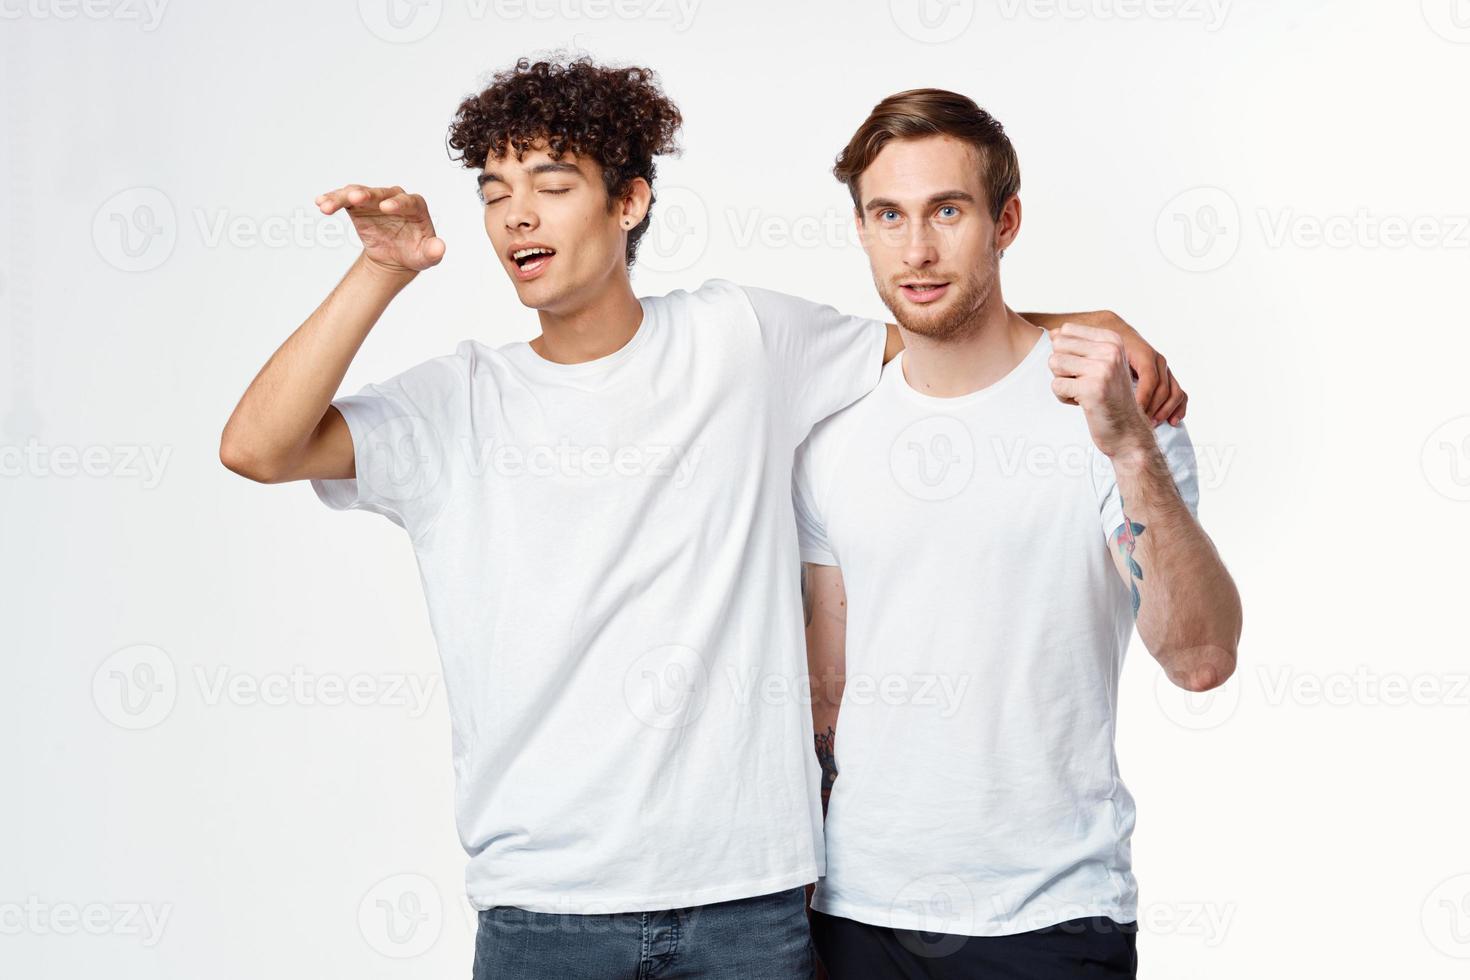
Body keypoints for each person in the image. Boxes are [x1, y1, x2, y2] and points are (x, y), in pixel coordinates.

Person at [219, 57, 1185, 979]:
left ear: (629, 200)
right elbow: (257, 447)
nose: (516, 213)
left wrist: (1086, 326)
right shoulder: (457, 401)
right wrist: (382, 270)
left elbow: (942, 323)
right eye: (493, 188)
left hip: (752, 904)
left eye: (552, 182)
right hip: (543, 906)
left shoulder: (742, 340)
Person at [795, 88, 1242, 980]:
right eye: (889, 214)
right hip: (857, 914)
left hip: (1055, 916)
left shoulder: (1117, 410)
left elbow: (1200, 658)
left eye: (947, 211)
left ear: (1007, 222)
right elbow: (827, 701)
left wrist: (1127, 449)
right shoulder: (831, 436)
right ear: (861, 228)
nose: (916, 249)